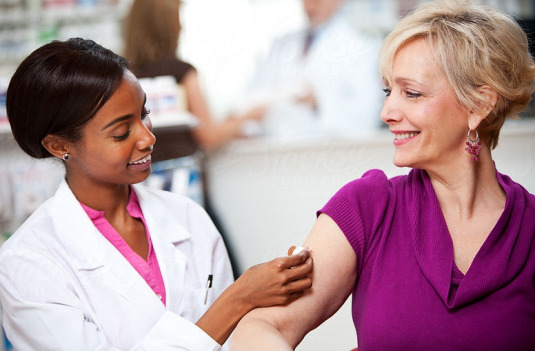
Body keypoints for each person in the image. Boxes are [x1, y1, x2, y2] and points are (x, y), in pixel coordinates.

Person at [230, 0, 535, 350]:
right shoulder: (368, 207)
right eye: (389, 91)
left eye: (412, 93)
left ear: (479, 105)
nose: (387, 111)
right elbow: (265, 325)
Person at [0, 38, 313, 350]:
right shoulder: (27, 263)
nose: (148, 138)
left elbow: (235, 342)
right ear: (59, 146)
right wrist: (238, 300)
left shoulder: (186, 217)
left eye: (144, 114)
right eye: (121, 132)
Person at [123, 0, 266, 151]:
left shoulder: (123, 75)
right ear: (171, 26)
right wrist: (249, 116)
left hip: (142, 170)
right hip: (182, 168)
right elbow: (208, 137)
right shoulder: (182, 72)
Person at [244, 0, 383, 137]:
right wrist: (248, 126)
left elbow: (366, 118)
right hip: (271, 149)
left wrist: (318, 102)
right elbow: (253, 100)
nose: (310, 5)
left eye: (317, 0)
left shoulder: (362, 48)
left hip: (326, 149)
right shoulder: (281, 45)